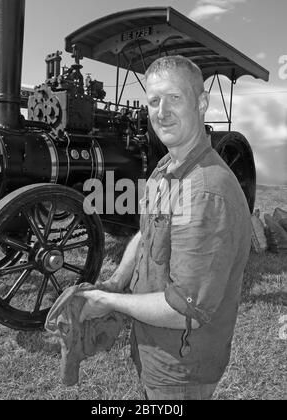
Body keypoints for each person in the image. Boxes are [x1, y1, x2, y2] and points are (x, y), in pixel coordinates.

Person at [78, 56, 252, 400]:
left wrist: (110, 301)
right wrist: (117, 280)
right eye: (154, 101)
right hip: (154, 350)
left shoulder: (205, 191)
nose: (162, 111)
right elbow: (146, 234)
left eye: (175, 98)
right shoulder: (165, 168)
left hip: (181, 369)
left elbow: (184, 310)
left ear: (201, 103)